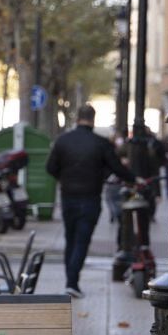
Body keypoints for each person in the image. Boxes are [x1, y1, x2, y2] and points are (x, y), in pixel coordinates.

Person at [46, 104, 139, 298]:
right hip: (90, 198)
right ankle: (72, 282)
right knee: (82, 240)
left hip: (68, 197)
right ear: (93, 119)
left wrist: (64, 178)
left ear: (77, 118)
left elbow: (50, 168)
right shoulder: (101, 143)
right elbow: (116, 167)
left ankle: (70, 281)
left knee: (70, 240)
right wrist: (133, 179)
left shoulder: (63, 141)